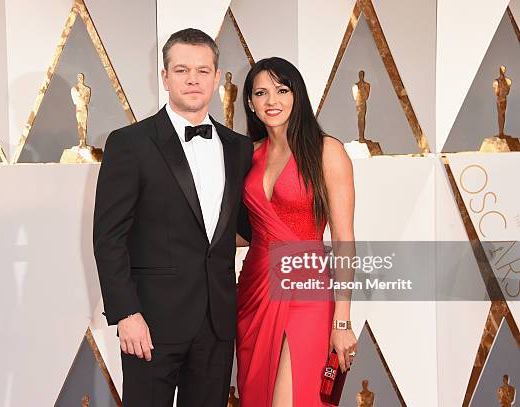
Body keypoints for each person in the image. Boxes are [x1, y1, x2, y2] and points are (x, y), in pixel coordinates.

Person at [92, 28, 253, 407]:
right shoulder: (129, 143)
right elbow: (108, 237)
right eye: (181, 70)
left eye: (202, 70)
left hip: (217, 324)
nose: (193, 79)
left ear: (216, 77)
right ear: (164, 77)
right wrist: (126, 313)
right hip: (150, 321)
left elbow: (238, 229)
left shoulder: (239, 147)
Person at [236, 57, 357, 406]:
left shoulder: (326, 151)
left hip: (307, 292)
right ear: (250, 103)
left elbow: (345, 242)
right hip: (254, 291)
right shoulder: (248, 155)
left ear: (297, 95)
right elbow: (250, 229)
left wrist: (343, 322)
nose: (272, 100)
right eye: (261, 92)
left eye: (282, 90)